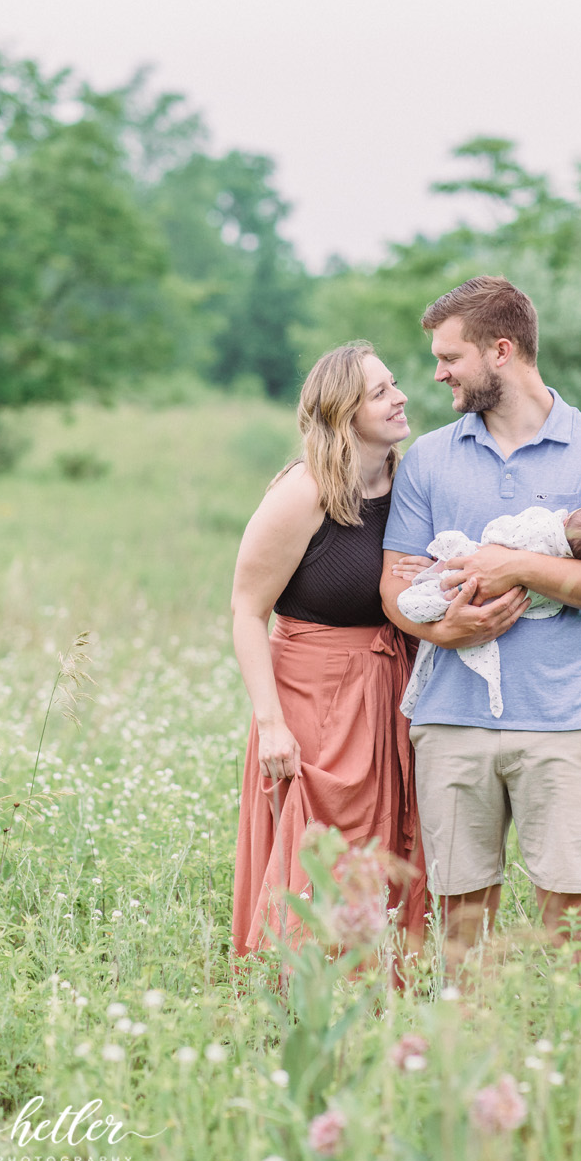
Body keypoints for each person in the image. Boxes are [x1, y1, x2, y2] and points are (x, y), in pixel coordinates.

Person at [380, 277, 581, 963]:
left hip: (564, 723)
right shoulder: (429, 459)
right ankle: (465, 1065)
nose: (437, 373)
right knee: (460, 921)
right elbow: (397, 585)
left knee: (573, 921)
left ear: (501, 351)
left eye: (450, 358)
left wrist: (517, 567)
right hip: (450, 723)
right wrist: (441, 631)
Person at [231, 342, 428, 956]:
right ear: (344, 414)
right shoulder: (304, 492)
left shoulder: (412, 483)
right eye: (380, 392)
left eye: (394, 384)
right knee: (323, 857)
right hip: (312, 702)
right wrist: (271, 726)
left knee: (385, 853)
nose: (399, 398)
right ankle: (300, 1003)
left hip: (391, 693)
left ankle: (380, 1003)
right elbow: (245, 610)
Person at [397, 498, 581, 718]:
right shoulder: (567, 573)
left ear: (566, 521)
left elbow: (495, 532)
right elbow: (543, 602)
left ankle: (430, 594)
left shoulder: (541, 523)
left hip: (472, 576)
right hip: (495, 604)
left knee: (442, 590)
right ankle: (434, 596)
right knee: (446, 595)